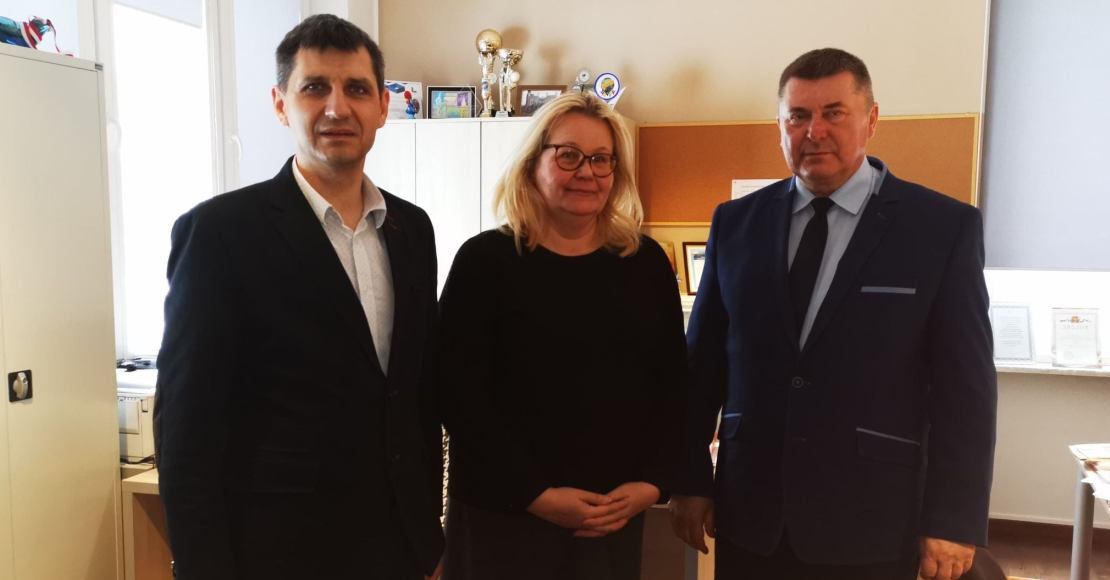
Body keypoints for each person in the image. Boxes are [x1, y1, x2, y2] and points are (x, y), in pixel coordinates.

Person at [670, 48, 997, 580]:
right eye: (797, 116)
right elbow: (702, 364)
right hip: (751, 513)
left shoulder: (941, 229)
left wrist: (954, 518)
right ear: (780, 126)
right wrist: (689, 480)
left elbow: (967, 391)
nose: (814, 131)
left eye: (834, 113)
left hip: (871, 518)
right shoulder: (736, 224)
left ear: (871, 119)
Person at [154, 14, 443, 580]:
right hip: (276, 553)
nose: (337, 108)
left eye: (356, 89)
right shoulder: (219, 233)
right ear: (281, 104)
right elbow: (186, 432)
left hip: (399, 548)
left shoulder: (412, 229)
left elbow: (415, 398)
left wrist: (429, 541)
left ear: (382, 107)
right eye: (314, 88)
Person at [438, 92, 687, 580]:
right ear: (533, 165)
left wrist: (653, 484)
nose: (587, 172)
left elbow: (672, 384)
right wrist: (536, 496)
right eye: (569, 155)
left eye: (601, 159)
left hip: (608, 517)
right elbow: (458, 395)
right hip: (502, 515)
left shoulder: (645, 264)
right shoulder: (485, 262)